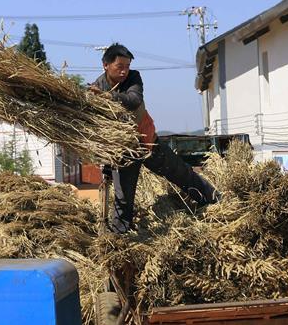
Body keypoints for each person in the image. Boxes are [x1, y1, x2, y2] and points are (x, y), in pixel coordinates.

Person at [90, 43, 219, 234]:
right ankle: (119, 236)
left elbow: (134, 101)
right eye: (120, 67)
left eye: (127, 66)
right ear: (105, 65)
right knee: (123, 196)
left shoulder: (133, 78)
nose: (124, 71)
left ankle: (212, 199)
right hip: (124, 151)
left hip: (147, 141)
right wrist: (107, 163)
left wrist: (108, 97)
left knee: (180, 172)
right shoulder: (96, 89)